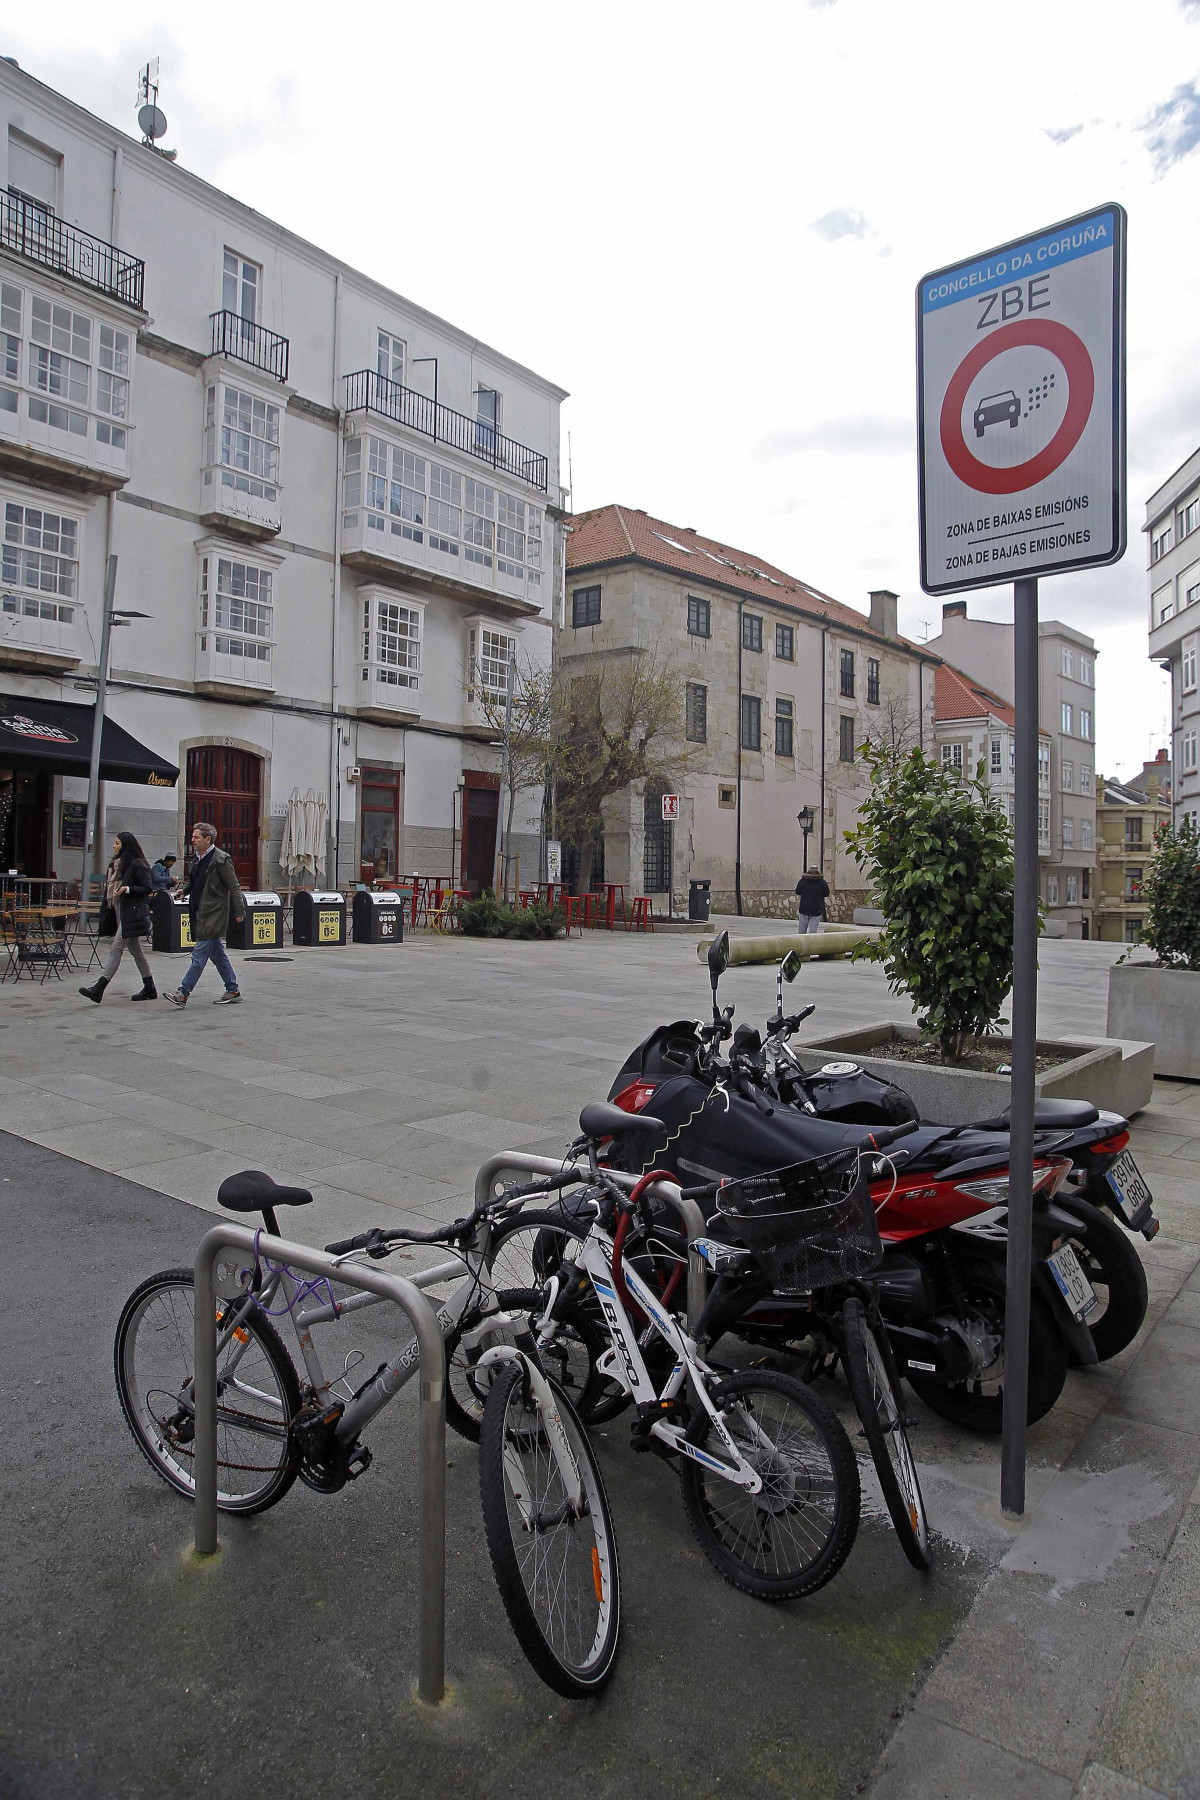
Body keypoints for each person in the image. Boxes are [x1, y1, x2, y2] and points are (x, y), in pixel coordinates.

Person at [164, 821, 245, 1007]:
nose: (192, 840)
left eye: (196, 837)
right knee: (217, 954)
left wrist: (239, 911)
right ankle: (233, 990)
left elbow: (234, 886)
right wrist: (183, 890)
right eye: (192, 837)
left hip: (214, 913)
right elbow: (194, 881)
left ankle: (183, 993)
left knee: (199, 955)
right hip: (199, 911)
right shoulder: (196, 859)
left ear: (207, 839)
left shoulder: (221, 859)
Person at [79, 832, 156, 1002]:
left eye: (117, 843)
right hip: (121, 911)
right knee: (136, 950)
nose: (114, 846)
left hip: (132, 913)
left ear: (125, 845)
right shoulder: (117, 865)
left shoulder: (137, 863)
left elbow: (147, 888)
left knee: (116, 948)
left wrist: (127, 889)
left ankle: (99, 988)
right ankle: (150, 987)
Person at [795, 866, 830, 935]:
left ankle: (801, 944)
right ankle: (811, 944)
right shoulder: (822, 882)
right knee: (813, 932)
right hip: (816, 908)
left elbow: (797, 891)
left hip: (804, 908)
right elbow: (826, 893)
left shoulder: (803, 881)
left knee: (801, 931)